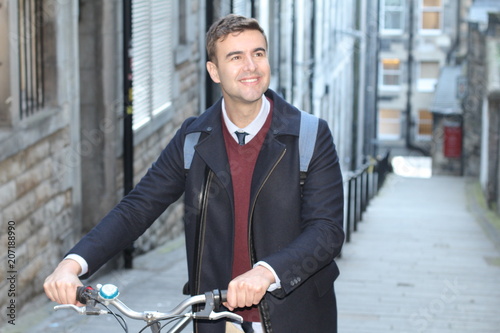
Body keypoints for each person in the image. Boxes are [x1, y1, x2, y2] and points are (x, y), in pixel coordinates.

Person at [44, 14, 344, 333]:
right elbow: (137, 209)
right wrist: (72, 264)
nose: (251, 66)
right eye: (236, 57)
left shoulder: (309, 135)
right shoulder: (194, 139)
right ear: (214, 71)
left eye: (258, 53)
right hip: (217, 320)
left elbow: (326, 231)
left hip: (296, 320)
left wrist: (268, 272)